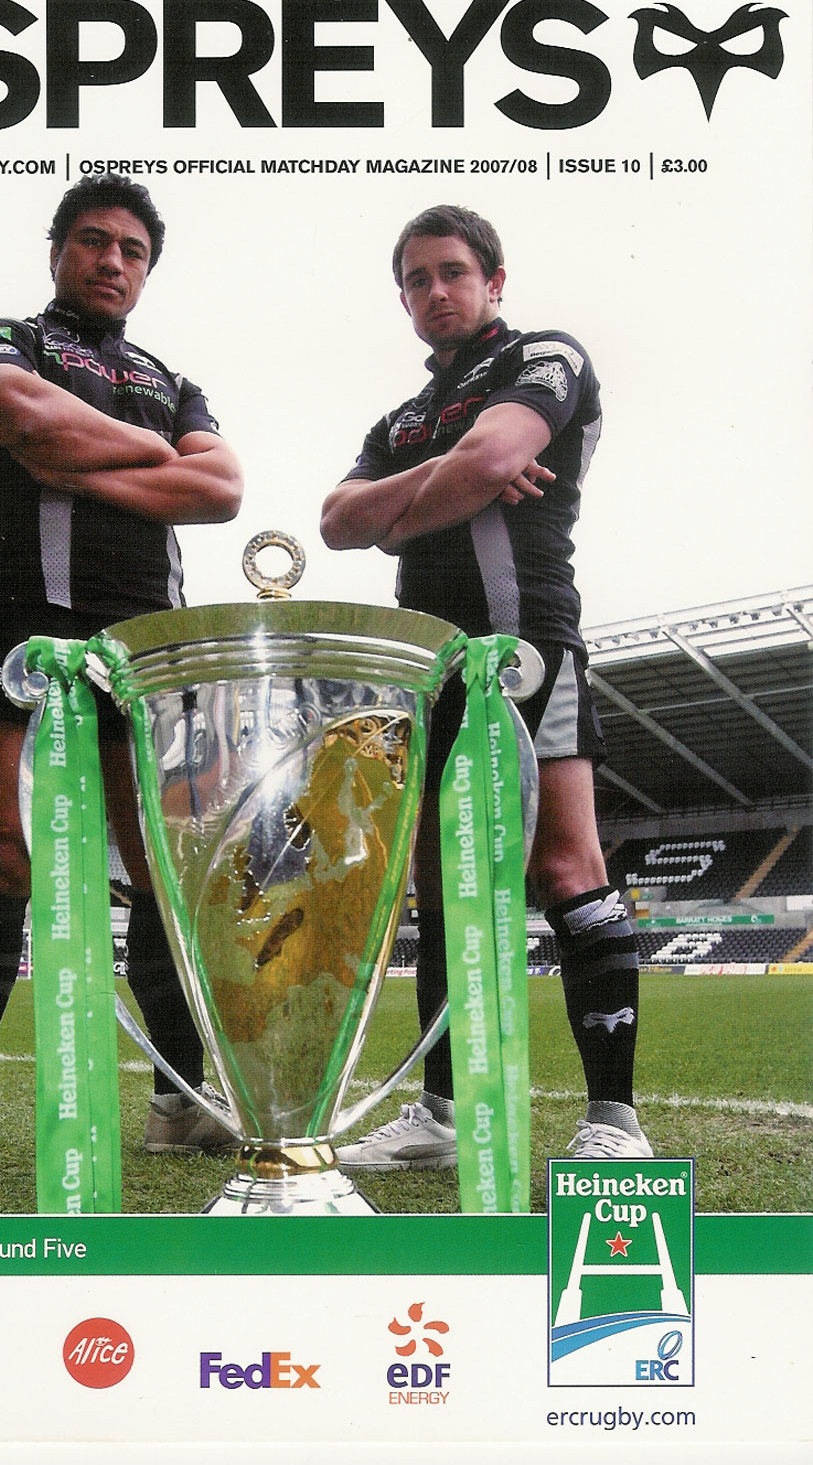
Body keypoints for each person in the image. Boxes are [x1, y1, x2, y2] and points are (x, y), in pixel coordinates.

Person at [0, 175, 243, 1195]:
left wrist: (73, 459)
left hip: (146, 644)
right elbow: (11, 410)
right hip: (23, 626)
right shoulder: (6, 337)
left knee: (165, 870)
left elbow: (220, 487)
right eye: (93, 241)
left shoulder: (173, 380)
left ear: (147, 270)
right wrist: (149, 457)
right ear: (57, 252)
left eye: (132, 250)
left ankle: (180, 1098)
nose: (112, 261)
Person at [319, 204, 652, 1169]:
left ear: (492, 281)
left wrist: (405, 508)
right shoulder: (400, 420)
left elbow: (496, 458)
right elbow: (337, 523)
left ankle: (614, 1121)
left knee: (565, 869)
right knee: (439, 887)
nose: (435, 292)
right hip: (430, 672)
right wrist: (451, 474)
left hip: (525, 649)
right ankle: (443, 1112)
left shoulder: (544, 355)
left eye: (452, 273)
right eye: (416, 280)